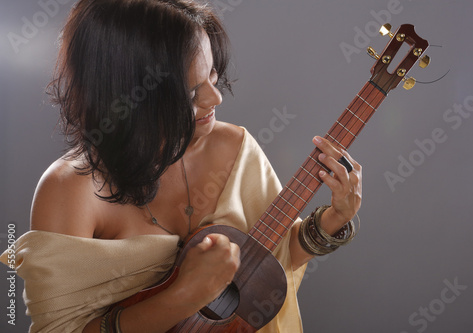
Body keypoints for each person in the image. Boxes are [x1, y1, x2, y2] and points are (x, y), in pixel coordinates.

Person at [0, 0, 362, 332]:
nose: (216, 98)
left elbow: (264, 270)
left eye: (213, 78)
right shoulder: (71, 191)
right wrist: (181, 297)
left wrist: (333, 220)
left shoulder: (234, 148)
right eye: (191, 94)